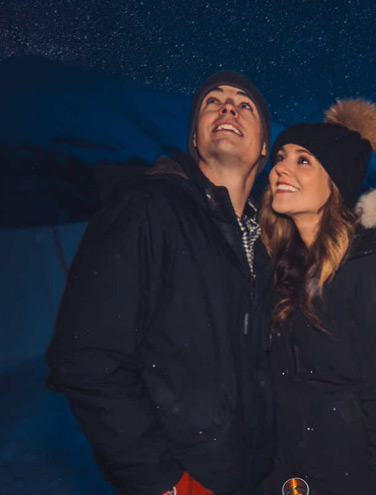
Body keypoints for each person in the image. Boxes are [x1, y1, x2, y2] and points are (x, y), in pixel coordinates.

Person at [46, 71, 274, 495]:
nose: (227, 107)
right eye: (212, 101)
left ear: (264, 147)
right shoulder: (147, 209)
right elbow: (86, 359)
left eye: (245, 105)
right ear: (193, 139)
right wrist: (163, 481)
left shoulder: (262, 240)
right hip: (182, 479)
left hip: (251, 476)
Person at [259, 98, 376, 494]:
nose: (280, 168)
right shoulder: (282, 267)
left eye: (303, 160)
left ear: (336, 182)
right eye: (280, 157)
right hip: (290, 475)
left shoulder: (367, 265)